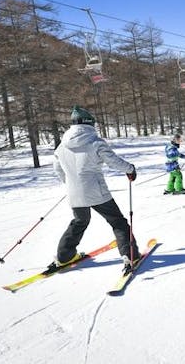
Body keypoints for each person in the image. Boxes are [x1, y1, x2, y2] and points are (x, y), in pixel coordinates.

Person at [52, 106, 140, 273]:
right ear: (89, 123)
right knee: (117, 221)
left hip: (74, 193)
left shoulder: (62, 146)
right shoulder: (95, 142)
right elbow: (113, 161)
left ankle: (64, 257)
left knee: (79, 222)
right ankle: (131, 255)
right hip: (96, 192)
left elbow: (58, 169)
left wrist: (70, 183)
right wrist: (130, 169)